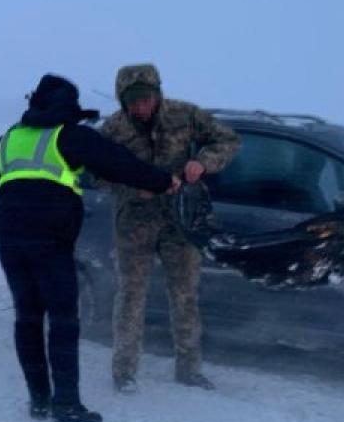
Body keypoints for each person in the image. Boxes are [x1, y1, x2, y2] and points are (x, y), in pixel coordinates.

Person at [0, 75, 177, 422]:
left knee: (27, 318)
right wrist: (165, 181)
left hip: (9, 236)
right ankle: (67, 404)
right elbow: (118, 162)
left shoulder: (9, 138)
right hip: (49, 239)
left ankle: (39, 400)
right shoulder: (68, 135)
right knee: (63, 320)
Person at [100, 63, 240, 392]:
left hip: (180, 220)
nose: (141, 107)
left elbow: (228, 140)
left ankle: (189, 369)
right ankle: (124, 373)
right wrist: (132, 189)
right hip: (134, 223)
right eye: (133, 101)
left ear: (158, 94)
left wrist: (202, 162)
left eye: (147, 99)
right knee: (131, 297)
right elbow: (97, 173)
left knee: (185, 295)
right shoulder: (113, 129)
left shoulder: (184, 115)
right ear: (122, 100)